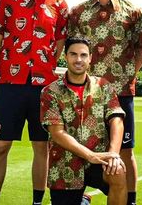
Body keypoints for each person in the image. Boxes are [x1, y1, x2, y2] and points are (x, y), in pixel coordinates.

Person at [0, 0, 68, 205]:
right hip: (11, 85)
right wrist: (9, 66)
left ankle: (36, 202)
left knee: (41, 147)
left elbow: (59, 44)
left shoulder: (59, 5)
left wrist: (45, 67)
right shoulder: (5, 0)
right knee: (0, 146)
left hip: (43, 88)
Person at [68, 0, 142, 205]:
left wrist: (131, 73)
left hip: (121, 93)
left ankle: (130, 200)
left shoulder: (132, 12)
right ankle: (80, 197)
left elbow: (141, 48)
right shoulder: (78, 12)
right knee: (79, 148)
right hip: (86, 94)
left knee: (125, 150)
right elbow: (72, 50)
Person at [40, 36, 127, 205]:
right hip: (65, 164)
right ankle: (82, 200)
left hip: (100, 159)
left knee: (118, 171)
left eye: (83, 55)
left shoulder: (103, 86)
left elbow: (116, 120)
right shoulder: (50, 92)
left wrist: (114, 155)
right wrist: (90, 155)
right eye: (73, 54)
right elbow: (57, 133)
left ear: (90, 58)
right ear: (66, 57)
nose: (78, 59)